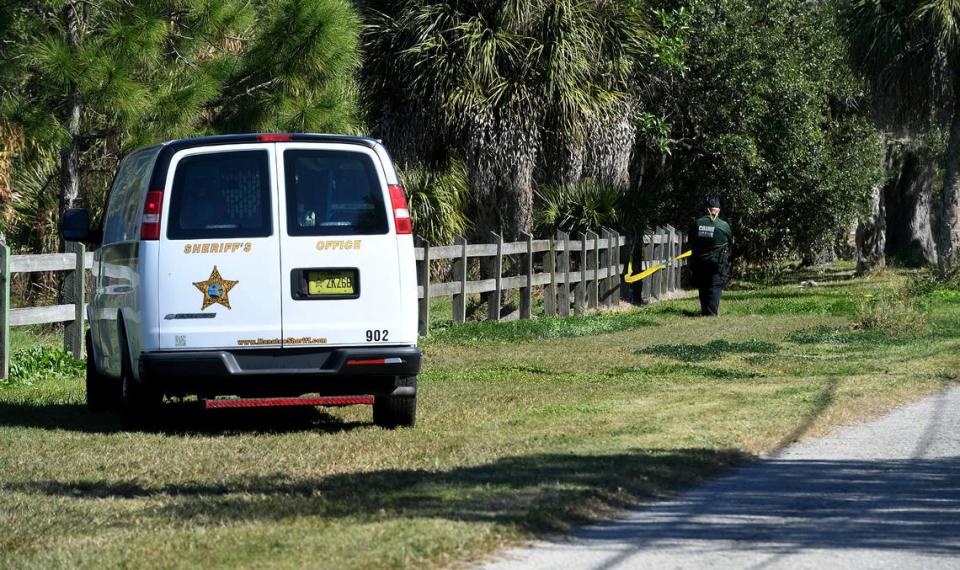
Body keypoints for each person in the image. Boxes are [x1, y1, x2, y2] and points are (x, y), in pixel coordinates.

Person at [688, 197, 733, 316]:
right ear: (718, 210)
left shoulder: (697, 223)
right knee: (715, 286)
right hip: (717, 261)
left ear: (707, 209)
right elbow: (730, 241)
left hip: (699, 260)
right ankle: (712, 313)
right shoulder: (723, 225)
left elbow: (691, 239)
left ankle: (704, 311)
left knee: (703, 285)